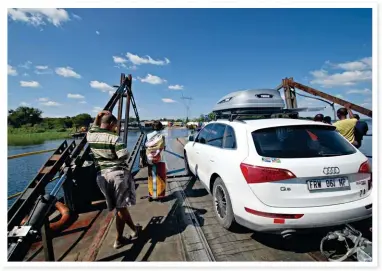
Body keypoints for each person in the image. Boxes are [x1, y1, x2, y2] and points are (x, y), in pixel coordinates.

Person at [87, 110, 141, 249]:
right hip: (116, 174)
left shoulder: (90, 135)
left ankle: (134, 229)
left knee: (120, 208)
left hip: (102, 176)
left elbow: (94, 126)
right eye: (115, 125)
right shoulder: (114, 138)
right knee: (121, 207)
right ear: (111, 123)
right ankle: (118, 239)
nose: (116, 127)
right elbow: (123, 155)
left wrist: (98, 116)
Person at [145, 121, 167, 201]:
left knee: (151, 177)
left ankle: (151, 195)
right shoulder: (162, 136)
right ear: (161, 127)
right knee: (161, 177)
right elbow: (163, 147)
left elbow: (145, 146)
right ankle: (160, 196)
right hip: (159, 158)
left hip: (150, 158)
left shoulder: (147, 135)